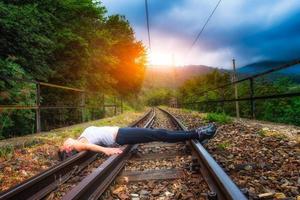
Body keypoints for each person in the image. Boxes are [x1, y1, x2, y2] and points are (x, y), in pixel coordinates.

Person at [58, 124, 217, 160]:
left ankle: (196, 133)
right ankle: (198, 134)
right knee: (159, 134)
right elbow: (87, 146)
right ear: (69, 149)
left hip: (122, 132)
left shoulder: (76, 139)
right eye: (64, 147)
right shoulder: (79, 144)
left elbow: (67, 140)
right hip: (121, 136)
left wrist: (66, 145)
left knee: (158, 133)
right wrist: (106, 151)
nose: (64, 143)